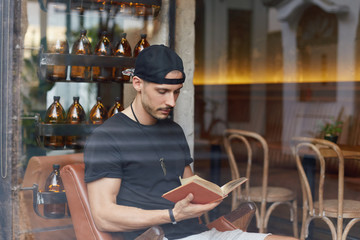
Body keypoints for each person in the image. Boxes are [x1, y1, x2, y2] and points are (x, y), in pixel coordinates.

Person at [84, 45, 297, 240]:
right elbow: (104, 216)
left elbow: (189, 186)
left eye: (176, 91)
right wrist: (173, 214)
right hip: (155, 236)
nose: (171, 101)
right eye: (162, 91)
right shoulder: (107, 137)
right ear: (138, 83)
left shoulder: (173, 131)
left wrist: (210, 195)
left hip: (199, 233)